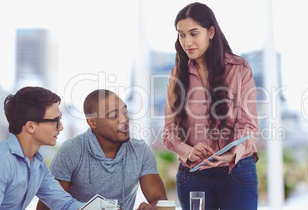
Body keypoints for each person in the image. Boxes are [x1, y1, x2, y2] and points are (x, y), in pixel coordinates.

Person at [163, 2, 259, 210]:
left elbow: (248, 125)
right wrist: (188, 151)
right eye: (181, 35)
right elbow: (169, 131)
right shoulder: (176, 75)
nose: (187, 41)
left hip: (236, 172)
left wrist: (232, 152)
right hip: (194, 175)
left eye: (194, 33)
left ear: (211, 32)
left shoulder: (239, 69)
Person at [36, 89, 167, 210]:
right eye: (114, 116)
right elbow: (47, 206)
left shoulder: (140, 151)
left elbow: (159, 200)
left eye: (125, 112)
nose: (124, 119)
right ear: (92, 123)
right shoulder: (71, 151)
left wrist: (153, 208)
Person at [0, 86, 85, 210]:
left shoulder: (38, 165)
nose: (60, 127)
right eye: (56, 120)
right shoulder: (3, 161)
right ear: (31, 127)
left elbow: (65, 204)